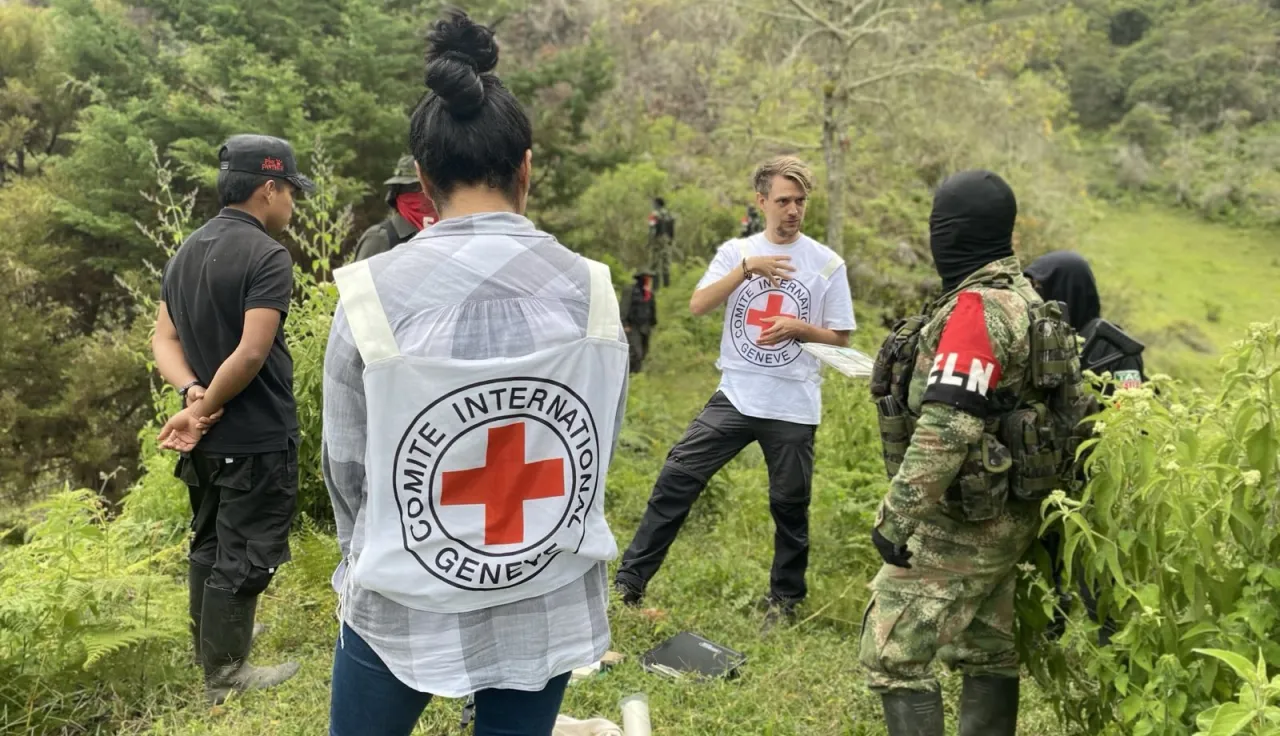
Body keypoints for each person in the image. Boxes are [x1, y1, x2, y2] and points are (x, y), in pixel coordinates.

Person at [321, 11, 629, 736]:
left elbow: (348, 469)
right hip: (546, 592)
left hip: (401, 603)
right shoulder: (595, 291)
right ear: (526, 168)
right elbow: (596, 444)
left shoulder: (368, 296)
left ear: (423, 179)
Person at [862, 169, 1088, 736]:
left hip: (964, 521)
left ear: (954, 232)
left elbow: (948, 425)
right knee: (986, 646)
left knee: (892, 649)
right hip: (1010, 511)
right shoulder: (1026, 298)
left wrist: (897, 515)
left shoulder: (978, 310)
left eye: (939, 225)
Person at [615, 156, 856, 627]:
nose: (793, 210)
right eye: (783, 200)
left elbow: (841, 337)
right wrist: (747, 269)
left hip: (792, 403)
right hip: (737, 395)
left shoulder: (827, 263)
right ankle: (629, 583)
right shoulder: (736, 252)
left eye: (800, 201)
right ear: (761, 201)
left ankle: (784, 602)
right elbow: (698, 304)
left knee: (789, 506)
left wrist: (799, 328)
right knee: (676, 477)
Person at [153, 133, 314, 704]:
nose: (292, 203)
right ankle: (225, 673)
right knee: (244, 552)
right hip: (255, 435)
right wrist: (201, 408)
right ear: (268, 188)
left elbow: (163, 338)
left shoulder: (186, 251)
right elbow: (250, 353)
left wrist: (191, 395)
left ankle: (216, 641)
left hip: (207, 438)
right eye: (290, 190)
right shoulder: (268, 255)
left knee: (209, 542)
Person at [1025, 250, 1146, 390]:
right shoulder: (1037, 341)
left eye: (1037, 287)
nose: (1032, 296)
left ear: (1067, 289)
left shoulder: (1114, 345)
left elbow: (1131, 399)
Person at [353, 154, 438, 261]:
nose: (423, 195)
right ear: (398, 192)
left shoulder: (443, 237)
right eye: (414, 188)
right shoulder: (380, 238)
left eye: (430, 189)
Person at [621, 270, 658, 373]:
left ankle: (636, 375)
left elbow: (652, 309)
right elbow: (624, 307)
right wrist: (624, 324)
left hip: (645, 326)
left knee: (644, 353)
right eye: (647, 278)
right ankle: (630, 374)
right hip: (633, 326)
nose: (649, 281)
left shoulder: (649, 293)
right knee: (636, 353)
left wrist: (653, 323)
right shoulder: (630, 291)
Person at [648, 196, 675, 288]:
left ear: (657, 204)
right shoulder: (668, 214)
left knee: (655, 262)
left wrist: (650, 241)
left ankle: (655, 286)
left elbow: (652, 229)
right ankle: (666, 285)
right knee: (666, 261)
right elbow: (672, 228)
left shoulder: (654, 215)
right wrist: (671, 239)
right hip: (666, 239)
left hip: (657, 239)